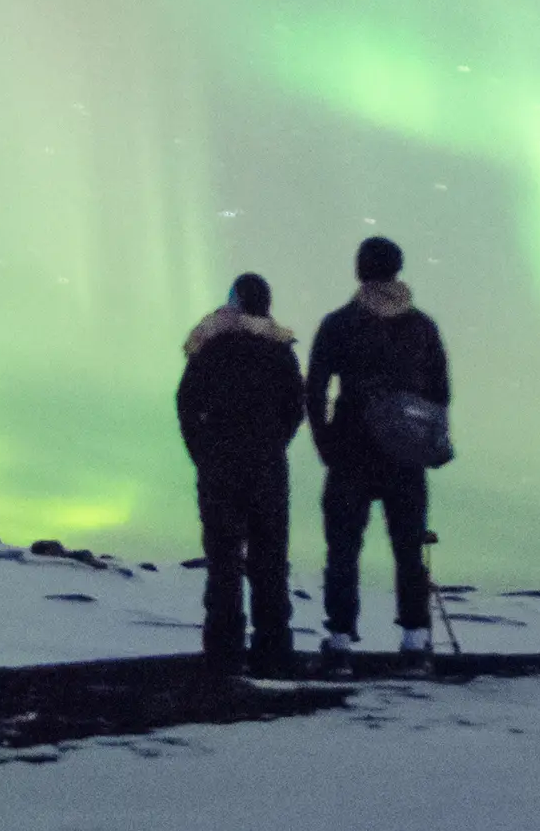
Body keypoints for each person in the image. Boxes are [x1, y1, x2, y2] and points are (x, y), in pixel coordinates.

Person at [306, 234, 449, 675]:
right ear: (397, 269)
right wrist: (424, 438)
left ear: (360, 269)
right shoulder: (421, 326)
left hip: (350, 451)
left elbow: (314, 389)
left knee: (344, 550)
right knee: (408, 551)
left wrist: (326, 443)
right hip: (405, 456)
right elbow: (440, 393)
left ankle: (341, 643)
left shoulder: (339, 323)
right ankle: (415, 644)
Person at [176, 271, 305, 676]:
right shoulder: (280, 350)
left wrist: (204, 453)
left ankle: (223, 651)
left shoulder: (209, 347)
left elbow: (186, 405)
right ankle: (273, 650)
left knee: (223, 560)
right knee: (269, 559)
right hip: (267, 466)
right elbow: (295, 409)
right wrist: (273, 444)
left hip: (219, 466)